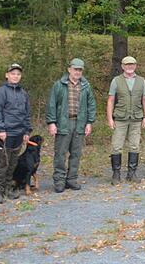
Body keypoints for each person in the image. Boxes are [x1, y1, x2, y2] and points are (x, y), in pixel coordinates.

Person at [46, 58, 97, 193]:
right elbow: (52, 104)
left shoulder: (86, 86)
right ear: (69, 69)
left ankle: (72, 179)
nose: (77, 72)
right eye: (75, 69)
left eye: (80, 70)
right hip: (63, 123)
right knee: (60, 154)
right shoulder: (59, 85)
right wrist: (52, 122)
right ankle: (59, 180)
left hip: (79, 123)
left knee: (76, 153)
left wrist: (89, 122)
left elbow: (91, 105)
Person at [0, 63, 31, 204]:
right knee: (1, 162)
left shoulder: (23, 93)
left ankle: (7, 187)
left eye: (18, 74)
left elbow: (26, 114)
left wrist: (26, 131)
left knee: (13, 163)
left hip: (18, 133)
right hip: (5, 133)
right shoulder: (0, 92)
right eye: (13, 73)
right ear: (7, 75)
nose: (15, 76)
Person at [107, 56, 145, 184]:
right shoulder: (116, 81)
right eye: (127, 65)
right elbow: (110, 100)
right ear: (122, 66)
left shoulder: (141, 81)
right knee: (116, 146)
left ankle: (132, 173)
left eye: (132, 64)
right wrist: (110, 118)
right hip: (120, 118)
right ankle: (116, 174)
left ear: (135, 66)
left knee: (135, 145)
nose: (129, 67)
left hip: (136, 118)